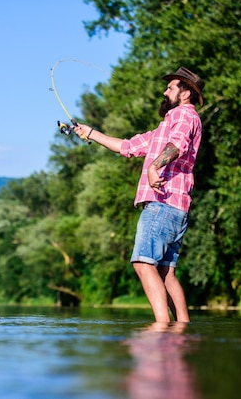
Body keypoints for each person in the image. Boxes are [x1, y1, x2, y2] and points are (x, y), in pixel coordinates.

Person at [73, 67, 204, 322]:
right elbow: (128, 147)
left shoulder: (185, 114)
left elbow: (178, 145)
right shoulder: (164, 126)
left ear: (186, 92)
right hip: (177, 207)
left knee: (143, 263)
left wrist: (155, 166)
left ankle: (161, 326)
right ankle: (181, 329)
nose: (165, 91)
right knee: (165, 272)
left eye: (171, 87)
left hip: (162, 204)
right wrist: (90, 133)